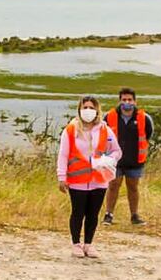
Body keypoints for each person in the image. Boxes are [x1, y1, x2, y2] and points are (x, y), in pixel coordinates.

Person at [57, 96, 121, 258]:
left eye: (91, 108)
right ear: (79, 110)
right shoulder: (71, 130)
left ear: (97, 110)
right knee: (78, 212)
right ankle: (76, 243)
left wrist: (109, 160)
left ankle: (89, 244)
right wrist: (61, 176)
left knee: (93, 213)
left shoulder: (104, 129)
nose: (88, 111)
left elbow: (116, 150)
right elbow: (63, 154)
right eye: (85, 107)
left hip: (99, 179)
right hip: (77, 180)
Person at [103, 87, 153, 226]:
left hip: (135, 160)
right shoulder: (109, 116)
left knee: (133, 187)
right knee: (113, 186)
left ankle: (134, 215)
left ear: (135, 101)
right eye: (124, 99)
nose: (127, 102)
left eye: (130, 99)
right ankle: (108, 214)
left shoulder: (144, 118)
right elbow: (102, 136)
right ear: (119, 101)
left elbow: (148, 134)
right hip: (115, 160)